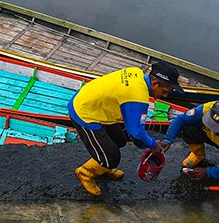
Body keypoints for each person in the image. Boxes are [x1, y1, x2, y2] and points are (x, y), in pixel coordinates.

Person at [69, 62, 182, 196]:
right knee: (111, 158)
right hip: (84, 113)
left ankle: (103, 168)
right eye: (164, 92)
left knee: (120, 140)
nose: (165, 96)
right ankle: (85, 173)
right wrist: (153, 145)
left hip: (99, 107)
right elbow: (137, 133)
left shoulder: (136, 73)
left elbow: (133, 125)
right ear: (155, 84)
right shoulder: (138, 96)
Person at [158, 97, 219, 180]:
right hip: (209, 135)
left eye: (217, 125)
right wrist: (168, 140)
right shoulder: (207, 108)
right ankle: (198, 155)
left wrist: (209, 172)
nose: (213, 127)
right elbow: (180, 120)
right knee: (189, 129)